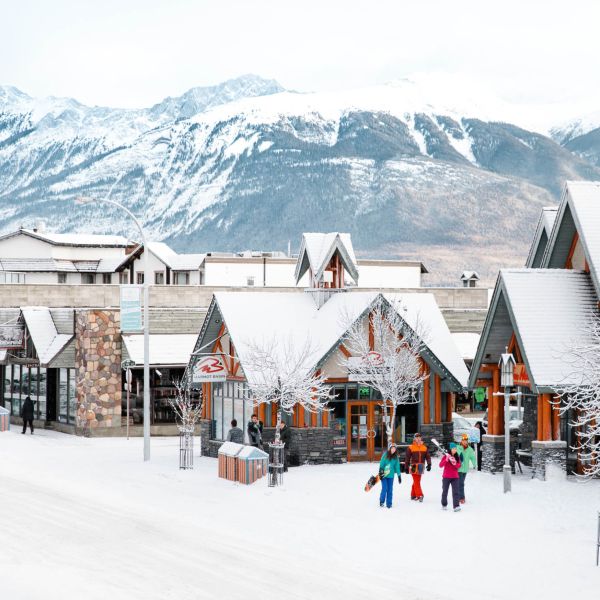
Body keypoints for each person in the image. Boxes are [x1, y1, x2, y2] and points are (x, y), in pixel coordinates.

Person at [404, 432, 432, 502]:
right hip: (413, 466)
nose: (418, 439)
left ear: (421, 438)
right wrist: (406, 467)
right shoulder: (411, 447)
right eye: (416, 437)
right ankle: (419, 495)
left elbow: (428, 457)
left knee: (416, 481)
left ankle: (413, 495)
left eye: (419, 437)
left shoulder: (424, 447)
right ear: (414, 439)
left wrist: (429, 464)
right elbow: (407, 458)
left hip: (420, 466)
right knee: (416, 481)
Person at [440, 443, 462, 512]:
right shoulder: (446, 456)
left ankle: (456, 506)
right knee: (445, 491)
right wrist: (446, 459)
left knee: (456, 492)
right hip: (446, 477)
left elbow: (459, 466)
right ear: (450, 449)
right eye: (453, 449)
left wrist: (455, 463)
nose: (454, 450)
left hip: (455, 477)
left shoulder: (457, 456)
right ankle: (444, 504)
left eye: (455, 449)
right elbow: (440, 465)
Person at [378, 443, 402, 509]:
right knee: (384, 488)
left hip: (391, 476)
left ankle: (389, 504)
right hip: (384, 475)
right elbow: (381, 464)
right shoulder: (385, 455)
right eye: (392, 448)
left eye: (394, 448)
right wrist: (381, 472)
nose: (393, 449)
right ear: (390, 448)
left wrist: (399, 476)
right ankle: (381, 501)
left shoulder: (396, 457)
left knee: (390, 490)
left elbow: (397, 467)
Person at [456, 433, 477, 504]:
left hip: (465, 469)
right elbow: (456, 455)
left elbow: (473, 458)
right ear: (461, 441)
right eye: (463, 440)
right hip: (458, 469)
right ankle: (462, 498)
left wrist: (475, 465)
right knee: (461, 483)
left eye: (466, 440)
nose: (465, 442)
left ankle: (458, 496)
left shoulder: (470, 449)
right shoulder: (458, 448)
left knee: (460, 483)